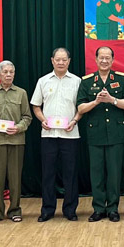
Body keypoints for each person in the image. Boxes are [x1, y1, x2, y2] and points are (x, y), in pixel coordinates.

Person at [76, 46, 124, 222]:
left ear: (113, 60)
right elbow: (80, 108)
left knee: (114, 174)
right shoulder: (87, 81)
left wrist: (112, 100)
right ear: (96, 59)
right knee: (97, 174)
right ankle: (98, 208)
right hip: (96, 134)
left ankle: (113, 208)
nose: (104, 61)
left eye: (108, 58)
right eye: (101, 58)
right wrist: (96, 101)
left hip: (116, 133)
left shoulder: (121, 79)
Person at [31, 47, 82, 222]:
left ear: (69, 61)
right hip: (49, 135)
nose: (61, 63)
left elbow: (81, 107)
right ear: (52, 61)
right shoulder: (43, 81)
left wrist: (74, 120)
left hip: (70, 135)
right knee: (48, 173)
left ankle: (70, 210)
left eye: (64, 60)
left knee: (71, 174)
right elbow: (36, 105)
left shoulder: (77, 81)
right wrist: (42, 120)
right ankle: (47, 209)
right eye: (57, 60)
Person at [0, 60, 32, 223]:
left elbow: (27, 117)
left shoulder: (21, 93)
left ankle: (15, 210)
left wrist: (19, 127)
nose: (8, 75)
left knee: (15, 177)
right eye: (5, 72)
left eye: (11, 72)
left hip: (16, 140)